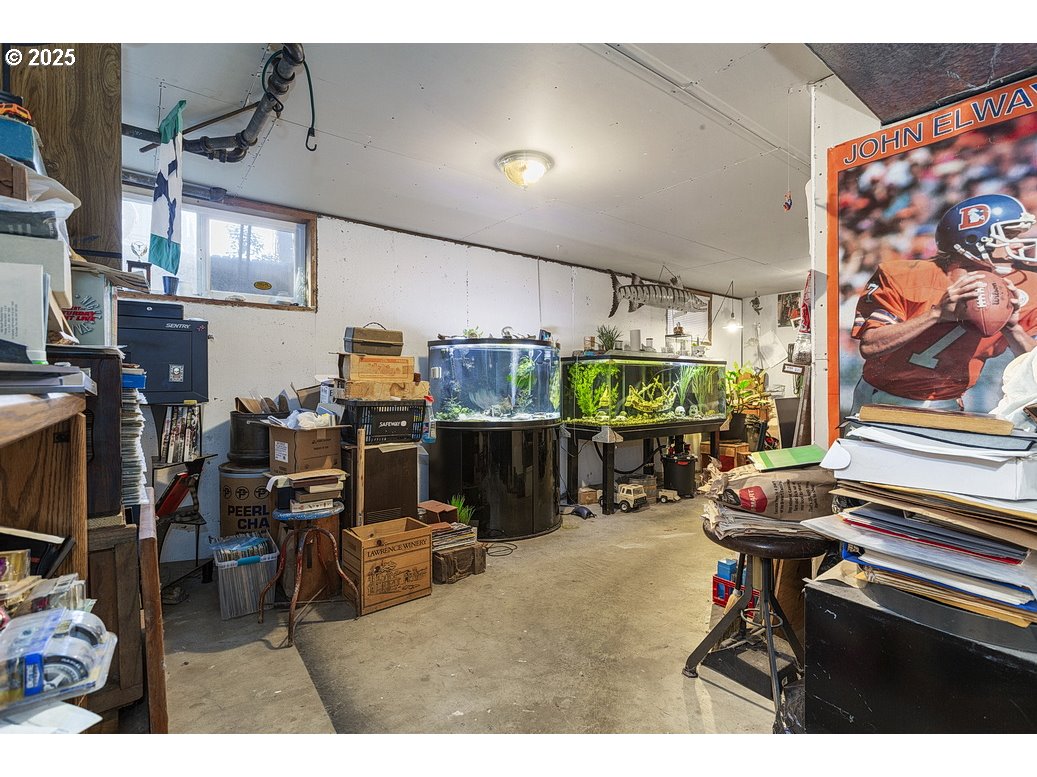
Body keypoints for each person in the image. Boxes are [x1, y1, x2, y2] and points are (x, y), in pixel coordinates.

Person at [850, 193, 1037, 413]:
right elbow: (870, 345)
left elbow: (1033, 367)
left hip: (947, 403)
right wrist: (936, 314)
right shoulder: (904, 275)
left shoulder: (1025, 286)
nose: (1017, 244)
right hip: (882, 399)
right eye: (1009, 235)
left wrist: (1013, 328)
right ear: (973, 239)